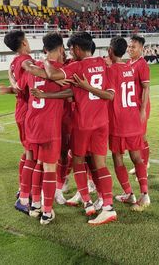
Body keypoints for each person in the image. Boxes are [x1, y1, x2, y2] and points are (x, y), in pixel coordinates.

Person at [43, 32, 118, 225]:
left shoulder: (77, 66)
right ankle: (107, 206)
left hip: (83, 123)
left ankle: (87, 202)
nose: (69, 53)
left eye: (70, 49)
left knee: (77, 160)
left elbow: (52, 75)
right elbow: (109, 96)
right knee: (100, 165)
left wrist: (44, 60)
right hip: (102, 123)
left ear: (76, 48)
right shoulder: (103, 63)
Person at [21, 32, 72, 225]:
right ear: (60, 49)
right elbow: (70, 96)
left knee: (37, 164)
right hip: (49, 126)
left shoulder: (33, 68)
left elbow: (23, 87)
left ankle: (35, 205)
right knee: (50, 168)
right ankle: (47, 212)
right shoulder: (61, 71)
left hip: (32, 124)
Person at [107, 37, 151, 211]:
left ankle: (128, 192)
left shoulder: (111, 70)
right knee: (137, 158)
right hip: (132, 118)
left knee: (118, 158)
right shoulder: (129, 68)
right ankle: (145, 194)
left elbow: (109, 95)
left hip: (118, 121)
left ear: (110, 50)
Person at [0, 30, 35, 214]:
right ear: (23, 44)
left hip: (21, 111)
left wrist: (10, 85)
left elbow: (17, 87)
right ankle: (23, 198)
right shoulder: (26, 61)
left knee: (28, 152)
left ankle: (23, 188)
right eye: (27, 40)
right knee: (32, 155)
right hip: (28, 112)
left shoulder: (14, 62)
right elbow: (22, 88)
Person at [126, 35, 151, 177]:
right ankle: (141, 164)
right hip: (131, 107)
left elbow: (146, 88)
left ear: (141, 49)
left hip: (140, 107)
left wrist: (142, 110)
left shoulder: (142, 65)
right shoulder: (130, 63)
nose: (130, 49)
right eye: (129, 46)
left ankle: (144, 165)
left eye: (133, 47)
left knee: (141, 137)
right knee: (137, 137)